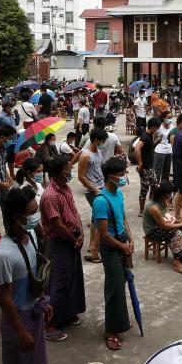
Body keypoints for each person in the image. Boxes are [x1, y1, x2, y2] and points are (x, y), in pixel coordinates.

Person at [0, 186, 55, 364]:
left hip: (34, 314)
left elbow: (33, 277)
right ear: (17, 217)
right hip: (18, 322)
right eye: (33, 211)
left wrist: (43, 301)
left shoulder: (31, 237)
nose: (37, 216)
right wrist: (21, 331)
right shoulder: (3, 255)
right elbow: (5, 300)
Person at [39, 154, 87, 335]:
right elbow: (57, 226)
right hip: (60, 242)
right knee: (59, 281)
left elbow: (74, 212)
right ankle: (49, 324)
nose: (71, 169)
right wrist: (74, 240)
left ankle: (67, 313)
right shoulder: (50, 195)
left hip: (73, 239)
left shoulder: (65, 188)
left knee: (73, 279)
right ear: (60, 172)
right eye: (68, 167)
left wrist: (81, 233)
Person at [93, 157, 134, 351]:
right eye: (121, 175)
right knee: (113, 288)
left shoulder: (118, 194)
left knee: (122, 283)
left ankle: (120, 321)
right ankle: (110, 330)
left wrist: (131, 240)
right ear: (111, 177)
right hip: (111, 248)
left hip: (122, 242)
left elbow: (124, 218)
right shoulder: (101, 201)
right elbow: (103, 235)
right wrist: (121, 246)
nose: (124, 177)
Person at [143, 180, 182, 275]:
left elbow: (166, 216)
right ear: (163, 195)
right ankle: (177, 263)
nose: (171, 195)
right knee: (176, 233)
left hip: (160, 224)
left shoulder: (163, 202)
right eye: (169, 194)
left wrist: (177, 220)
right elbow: (165, 226)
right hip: (152, 230)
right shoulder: (154, 208)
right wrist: (179, 224)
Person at [78, 128, 107, 263]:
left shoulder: (98, 151)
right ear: (95, 140)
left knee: (95, 218)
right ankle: (95, 249)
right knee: (101, 218)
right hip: (92, 191)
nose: (103, 143)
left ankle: (92, 246)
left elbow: (99, 169)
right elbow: (81, 177)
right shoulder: (85, 155)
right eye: (102, 141)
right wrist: (94, 189)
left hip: (101, 187)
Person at [135, 117, 159, 217]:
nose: (157, 129)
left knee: (154, 187)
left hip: (150, 167)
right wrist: (140, 163)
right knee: (144, 189)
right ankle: (141, 211)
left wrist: (156, 142)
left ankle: (150, 208)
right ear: (153, 127)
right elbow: (137, 149)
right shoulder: (145, 136)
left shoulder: (150, 136)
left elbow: (148, 149)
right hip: (145, 168)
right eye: (157, 127)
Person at [153, 113, 174, 182]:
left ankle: (164, 188)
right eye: (168, 118)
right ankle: (155, 187)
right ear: (163, 118)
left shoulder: (173, 127)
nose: (170, 119)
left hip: (169, 151)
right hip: (160, 151)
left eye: (171, 117)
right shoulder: (159, 127)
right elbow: (154, 139)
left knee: (166, 173)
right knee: (157, 171)